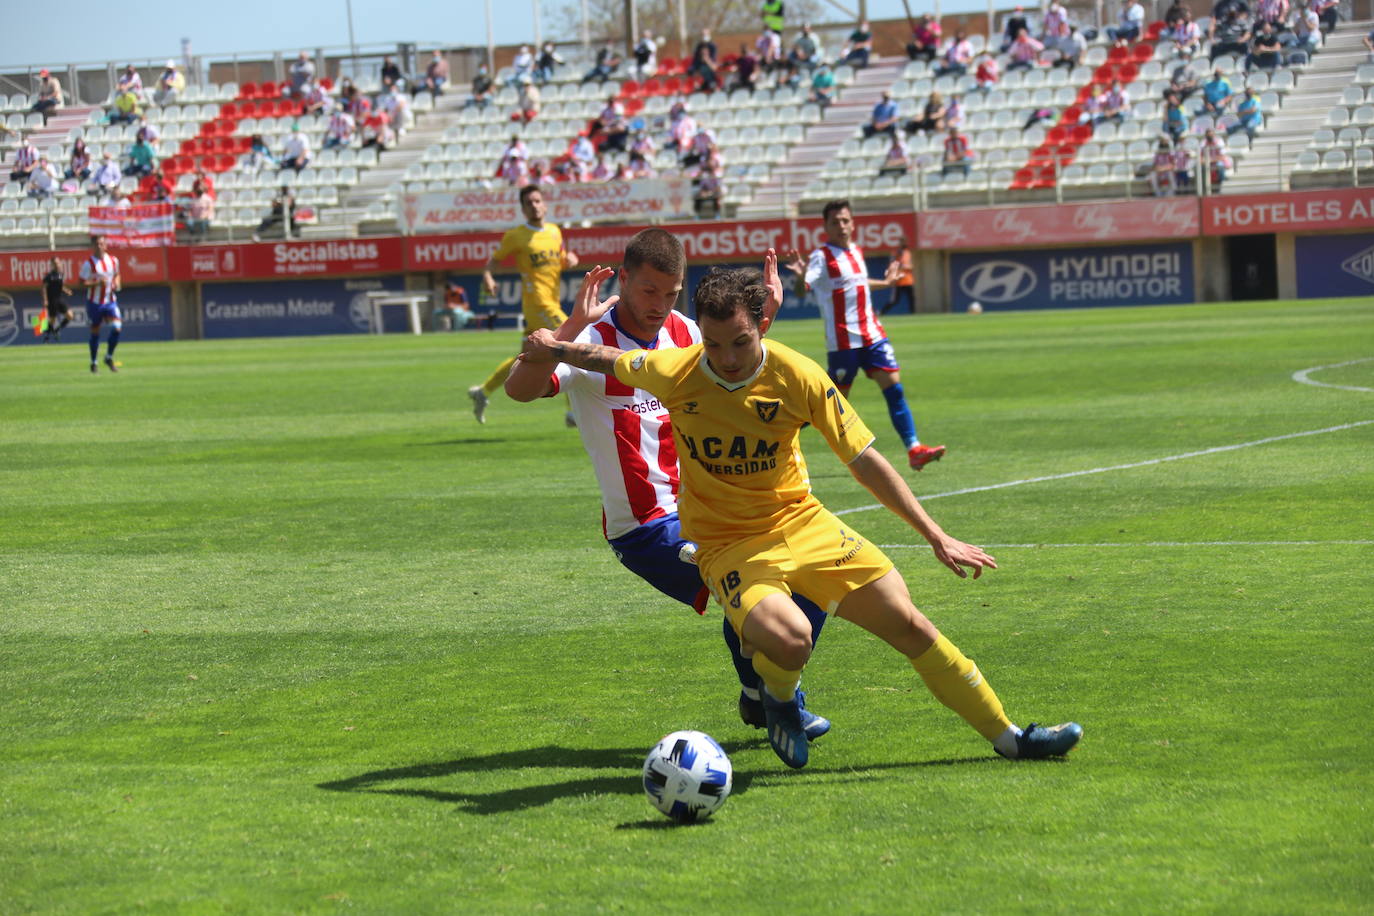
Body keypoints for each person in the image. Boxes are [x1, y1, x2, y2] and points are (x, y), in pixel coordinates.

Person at [521, 266, 1083, 769]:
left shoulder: (799, 375)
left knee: (911, 625)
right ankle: (780, 700)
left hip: (806, 525)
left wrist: (936, 535)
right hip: (728, 544)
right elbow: (604, 358)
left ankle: (1011, 738)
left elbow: (864, 459)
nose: (727, 358)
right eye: (714, 345)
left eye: (740, 342)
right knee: (791, 642)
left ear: (763, 325)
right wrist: (553, 345)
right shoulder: (678, 370)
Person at [507, 233, 833, 739]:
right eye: (648, 292)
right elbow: (520, 390)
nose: (659, 306)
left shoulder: (686, 332)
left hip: (710, 512)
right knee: (756, 593)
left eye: (670, 293)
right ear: (623, 280)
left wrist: (764, 321)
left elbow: (739, 368)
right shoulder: (591, 340)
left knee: (809, 583)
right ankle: (778, 702)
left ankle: (756, 697)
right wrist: (568, 328)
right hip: (646, 527)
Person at [784, 200, 946, 471]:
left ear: (853, 223)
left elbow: (856, 281)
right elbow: (803, 289)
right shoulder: (821, 257)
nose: (841, 226)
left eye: (845, 220)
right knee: (831, 406)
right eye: (835, 222)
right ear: (825, 227)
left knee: (895, 389)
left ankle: (914, 449)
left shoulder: (856, 251)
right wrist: (800, 277)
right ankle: (778, 439)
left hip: (872, 335)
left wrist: (885, 283)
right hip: (844, 342)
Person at [467, 185, 581, 425]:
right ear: (522, 208)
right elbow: (493, 262)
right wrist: (488, 277)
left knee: (525, 357)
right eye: (529, 203)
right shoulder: (516, 236)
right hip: (538, 304)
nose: (534, 205)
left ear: (545, 204)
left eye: (538, 201)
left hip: (549, 302)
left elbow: (558, 260)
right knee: (572, 342)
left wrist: (569, 260)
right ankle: (572, 412)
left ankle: (483, 391)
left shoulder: (554, 231)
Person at [81, 236, 123, 373]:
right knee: (95, 332)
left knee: (117, 328)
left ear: (106, 246)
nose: (100, 246)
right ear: (93, 246)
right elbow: (81, 282)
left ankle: (108, 357)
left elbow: (117, 274)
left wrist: (117, 282)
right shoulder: (88, 264)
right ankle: (93, 362)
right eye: (97, 244)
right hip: (94, 302)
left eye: (102, 243)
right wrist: (96, 283)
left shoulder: (113, 260)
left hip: (110, 301)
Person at [40, 258, 74, 342]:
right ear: (52, 264)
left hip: (60, 299)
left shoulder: (61, 274)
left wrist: (67, 291)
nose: (57, 264)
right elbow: (44, 288)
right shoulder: (49, 276)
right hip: (52, 300)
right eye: (55, 263)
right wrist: (45, 300)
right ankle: (46, 336)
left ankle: (57, 329)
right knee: (52, 319)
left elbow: (60, 286)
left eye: (58, 263)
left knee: (70, 315)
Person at [881, 242, 915, 314]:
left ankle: (913, 314)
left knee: (911, 298)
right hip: (899, 281)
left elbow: (911, 266)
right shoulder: (896, 254)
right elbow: (891, 265)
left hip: (908, 280)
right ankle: (882, 312)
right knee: (895, 300)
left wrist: (905, 266)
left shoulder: (907, 253)